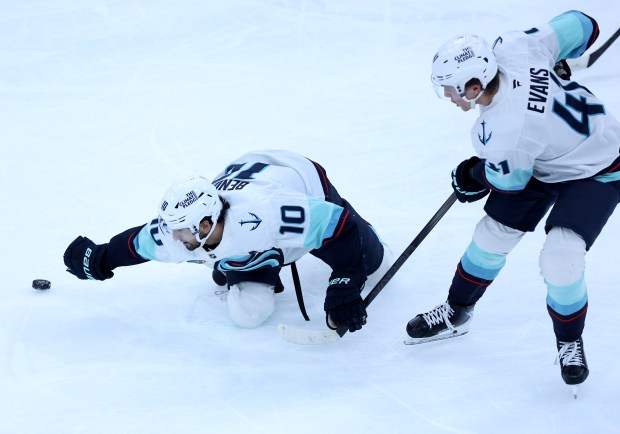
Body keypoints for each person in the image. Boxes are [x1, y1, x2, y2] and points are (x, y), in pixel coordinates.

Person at [406, 10, 620, 391]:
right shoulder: (516, 47)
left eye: (452, 89)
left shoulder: (498, 132)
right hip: (544, 157)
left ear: (475, 87)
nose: (448, 97)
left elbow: (509, 181)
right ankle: (457, 310)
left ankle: (569, 339)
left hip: (599, 166)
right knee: (491, 236)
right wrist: (554, 64)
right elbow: (585, 24)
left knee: (561, 257)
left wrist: (472, 174)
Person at [64, 150, 390, 332]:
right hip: (250, 190)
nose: (173, 238)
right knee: (248, 315)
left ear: (206, 223)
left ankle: (255, 257)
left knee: (374, 264)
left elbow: (339, 227)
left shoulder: (268, 212)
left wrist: (344, 284)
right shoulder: (180, 231)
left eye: (181, 230)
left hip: (300, 179)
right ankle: (254, 260)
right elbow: (137, 243)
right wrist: (100, 259)